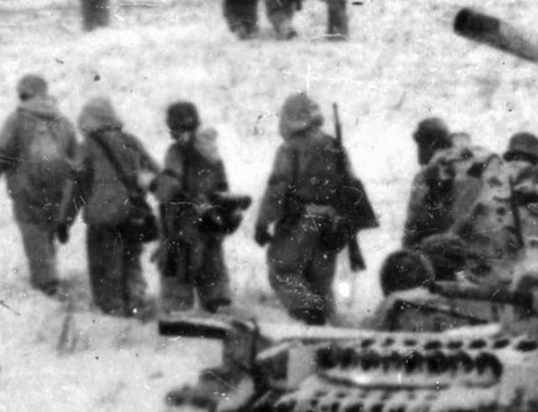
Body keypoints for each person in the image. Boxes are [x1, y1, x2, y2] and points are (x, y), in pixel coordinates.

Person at [254, 91, 375, 324]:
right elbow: (350, 186)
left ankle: (310, 316)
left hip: (301, 220)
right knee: (319, 281)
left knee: (283, 271)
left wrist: (262, 222)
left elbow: (277, 188)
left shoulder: (290, 148)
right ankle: (327, 331)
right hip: (332, 223)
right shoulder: (334, 145)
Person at [0, 73, 80, 297]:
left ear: (23, 93)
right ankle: (49, 275)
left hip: (26, 188)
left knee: (34, 233)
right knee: (47, 232)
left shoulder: (18, 119)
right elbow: (75, 156)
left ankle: (46, 283)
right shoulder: (61, 120)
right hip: (56, 188)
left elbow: (2, 152)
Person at [71, 95, 156, 318]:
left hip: (102, 218)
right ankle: (137, 306)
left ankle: (113, 312)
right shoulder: (131, 141)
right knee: (132, 262)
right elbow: (156, 174)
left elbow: (77, 187)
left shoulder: (88, 146)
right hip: (132, 214)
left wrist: (64, 219)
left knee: (104, 268)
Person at [154, 100, 238, 315]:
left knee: (177, 278)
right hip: (211, 224)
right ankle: (219, 312)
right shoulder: (212, 152)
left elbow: (168, 188)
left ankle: (178, 324)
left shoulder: (176, 152)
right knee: (213, 273)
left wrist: (156, 185)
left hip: (182, 226)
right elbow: (223, 188)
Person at [402, 117, 465, 247]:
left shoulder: (425, 174)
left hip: (435, 248)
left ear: (431, 143)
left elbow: (414, 220)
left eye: (420, 143)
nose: (418, 150)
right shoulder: (463, 166)